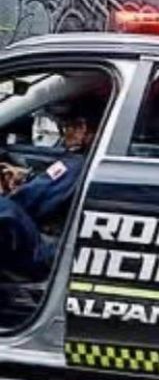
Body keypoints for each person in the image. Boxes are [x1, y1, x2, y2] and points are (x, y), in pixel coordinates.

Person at [0, 98, 102, 280]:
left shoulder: (75, 165)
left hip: (50, 250)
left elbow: (28, 202)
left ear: (85, 129)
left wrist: (8, 193)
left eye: (72, 125)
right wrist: (26, 179)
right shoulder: (82, 162)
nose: (67, 132)